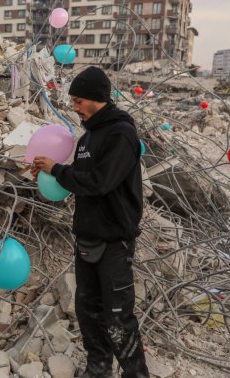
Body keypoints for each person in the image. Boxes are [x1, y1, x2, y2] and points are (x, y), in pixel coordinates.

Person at [32, 66, 149, 378]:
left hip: (114, 240)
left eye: (79, 100)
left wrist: (58, 170)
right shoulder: (86, 139)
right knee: (87, 311)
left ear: (98, 98)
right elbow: (81, 180)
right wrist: (51, 171)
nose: (75, 106)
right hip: (86, 237)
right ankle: (99, 368)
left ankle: (135, 374)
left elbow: (100, 182)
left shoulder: (121, 134)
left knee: (117, 316)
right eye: (72, 100)